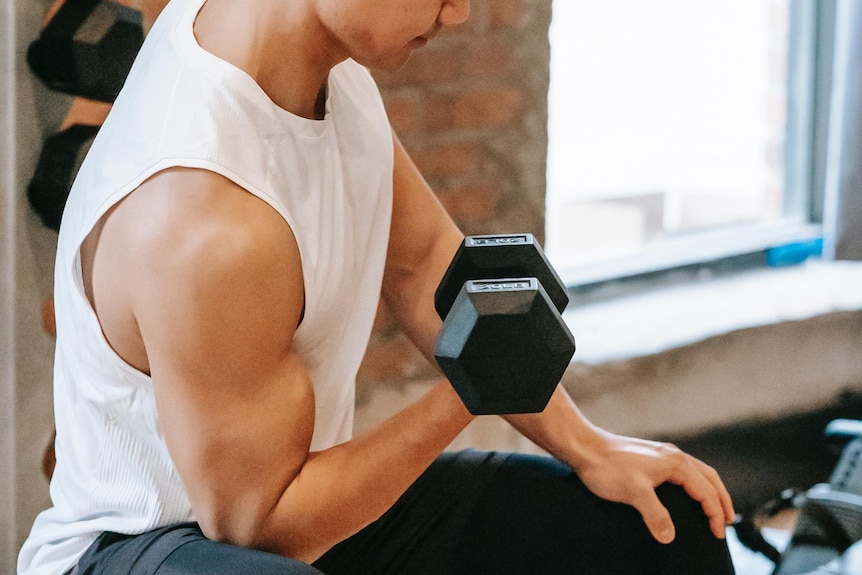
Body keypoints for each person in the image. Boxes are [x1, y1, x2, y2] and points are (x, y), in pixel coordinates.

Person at [18, 0, 738, 573]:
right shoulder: (205, 219)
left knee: (659, 529)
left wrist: (590, 446)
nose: (458, 12)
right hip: (147, 546)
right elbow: (257, 526)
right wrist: (468, 392)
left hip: (297, 517)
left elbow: (426, 264)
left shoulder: (315, 72)